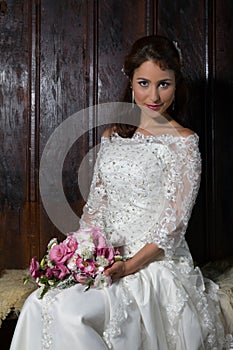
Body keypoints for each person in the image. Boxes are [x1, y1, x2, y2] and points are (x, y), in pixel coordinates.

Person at [10, 35, 227, 350]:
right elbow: (96, 209)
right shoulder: (113, 135)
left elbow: (173, 228)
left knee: (70, 314)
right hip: (108, 259)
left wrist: (128, 266)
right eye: (144, 83)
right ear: (130, 81)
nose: (154, 95)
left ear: (177, 84)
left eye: (164, 84)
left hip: (151, 265)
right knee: (37, 305)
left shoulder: (184, 143)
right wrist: (81, 254)